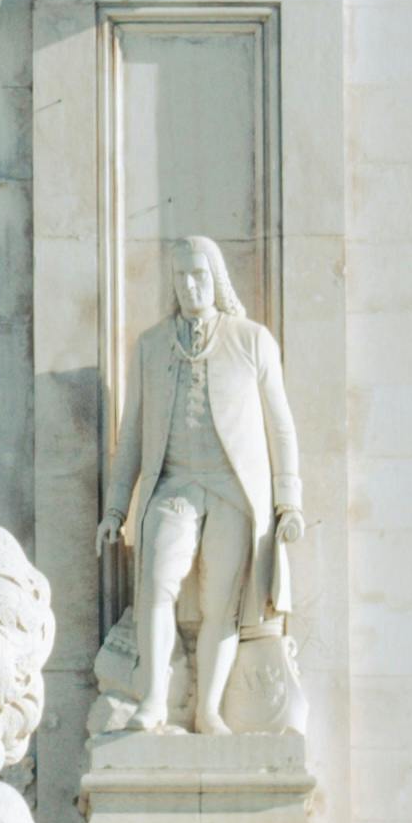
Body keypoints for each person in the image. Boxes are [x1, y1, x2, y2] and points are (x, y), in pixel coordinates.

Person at [99, 237, 304, 737]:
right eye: (181, 277)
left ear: (216, 279)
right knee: (157, 582)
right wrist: (115, 509)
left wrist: (288, 502)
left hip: (233, 489)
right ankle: (153, 699)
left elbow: (281, 426)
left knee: (221, 604)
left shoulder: (251, 339)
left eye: (199, 275)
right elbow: (132, 435)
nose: (190, 285)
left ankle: (207, 710)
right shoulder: (150, 345)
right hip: (174, 484)